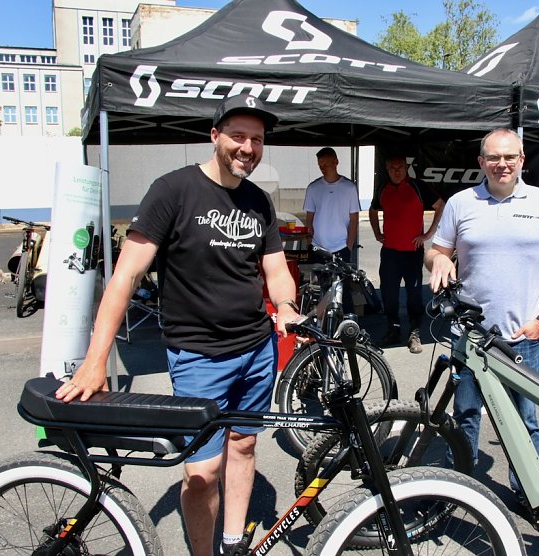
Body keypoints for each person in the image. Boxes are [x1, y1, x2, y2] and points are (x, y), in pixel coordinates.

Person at [55, 95, 300, 556]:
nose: (248, 147)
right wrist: (95, 361)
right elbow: (125, 275)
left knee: (244, 447)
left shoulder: (258, 201)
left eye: (258, 139)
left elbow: (275, 268)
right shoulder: (172, 190)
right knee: (201, 474)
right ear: (215, 137)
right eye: (238, 136)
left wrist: (286, 305)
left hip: (256, 349)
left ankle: (233, 542)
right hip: (198, 357)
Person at [425, 128, 539, 496]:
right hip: (470, 337)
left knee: (524, 421)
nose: (501, 164)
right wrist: (438, 261)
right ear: (481, 162)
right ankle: (461, 490)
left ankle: (530, 493)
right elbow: (434, 251)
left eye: (510, 157)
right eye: (493, 157)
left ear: (522, 160)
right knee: (465, 417)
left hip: (522, 338)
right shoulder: (461, 202)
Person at [369, 154, 444, 353]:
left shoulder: (418, 187)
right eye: (392, 167)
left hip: (413, 253)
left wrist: (428, 234)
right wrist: (377, 233)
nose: (396, 171)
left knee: (414, 294)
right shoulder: (383, 188)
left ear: (406, 167)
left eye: (400, 167)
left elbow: (440, 205)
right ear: (386, 168)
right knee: (389, 294)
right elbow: (372, 209)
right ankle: (393, 329)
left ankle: (414, 333)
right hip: (390, 253)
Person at [303, 147, 360, 312]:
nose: (323, 167)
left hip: (341, 247)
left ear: (336, 162)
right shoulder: (313, 188)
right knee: (320, 289)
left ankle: (348, 326)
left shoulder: (349, 188)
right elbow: (309, 218)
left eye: (326, 164)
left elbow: (354, 220)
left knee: (343, 289)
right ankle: (321, 328)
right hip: (319, 247)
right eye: (320, 165)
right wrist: (310, 241)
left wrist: (349, 246)